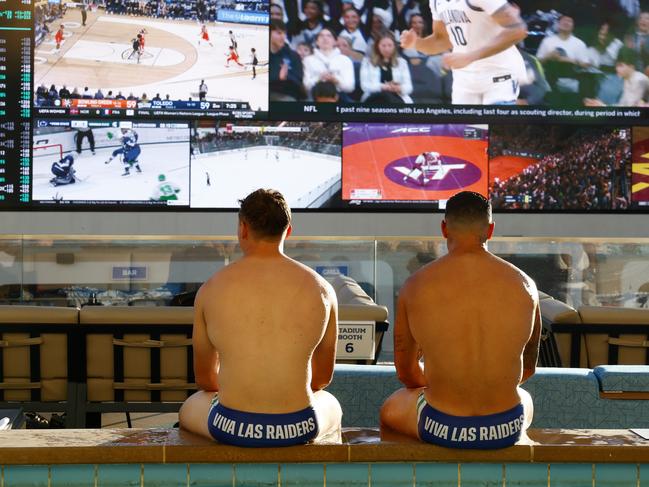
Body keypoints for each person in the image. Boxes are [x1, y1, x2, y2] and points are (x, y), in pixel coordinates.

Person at [179, 189, 342, 446]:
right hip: (299, 427)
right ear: (288, 231)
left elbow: (206, 379)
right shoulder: (322, 289)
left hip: (231, 427)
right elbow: (321, 378)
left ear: (243, 229)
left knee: (190, 405)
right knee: (331, 403)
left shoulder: (210, 289)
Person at [380, 191, 541, 448]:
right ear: (490, 230)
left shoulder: (416, 285)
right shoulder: (525, 285)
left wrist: (447, 384)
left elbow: (407, 373)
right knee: (525, 397)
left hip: (441, 426)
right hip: (507, 426)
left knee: (389, 410)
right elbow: (528, 368)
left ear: (444, 228)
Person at [400, 0, 527, 105]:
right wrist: (416, 43)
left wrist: (470, 56)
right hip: (464, 81)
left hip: (498, 76)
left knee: (496, 133)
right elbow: (442, 39)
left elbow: (518, 29)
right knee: (469, 134)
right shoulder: (435, 1)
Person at [360, 32, 413, 103]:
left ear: (394, 46)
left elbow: (409, 87)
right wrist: (383, 87)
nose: (387, 49)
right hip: (374, 97)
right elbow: (364, 86)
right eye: (383, 46)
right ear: (377, 46)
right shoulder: (367, 62)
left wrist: (399, 88)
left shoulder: (402, 63)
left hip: (396, 97)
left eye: (390, 45)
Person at [303, 27, 355, 99]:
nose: (325, 38)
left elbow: (350, 87)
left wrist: (335, 80)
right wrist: (319, 78)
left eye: (329, 36)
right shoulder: (308, 60)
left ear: (335, 41)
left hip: (339, 96)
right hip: (315, 95)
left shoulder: (345, 60)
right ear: (316, 42)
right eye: (321, 36)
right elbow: (306, 85)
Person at [270, 19, 305, 101]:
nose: (283, 37)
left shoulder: (293, 55)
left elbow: (298, 81)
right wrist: (278, 77)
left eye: (284, 33)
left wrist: (285, 77)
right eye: (279, 33)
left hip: (285, 95)